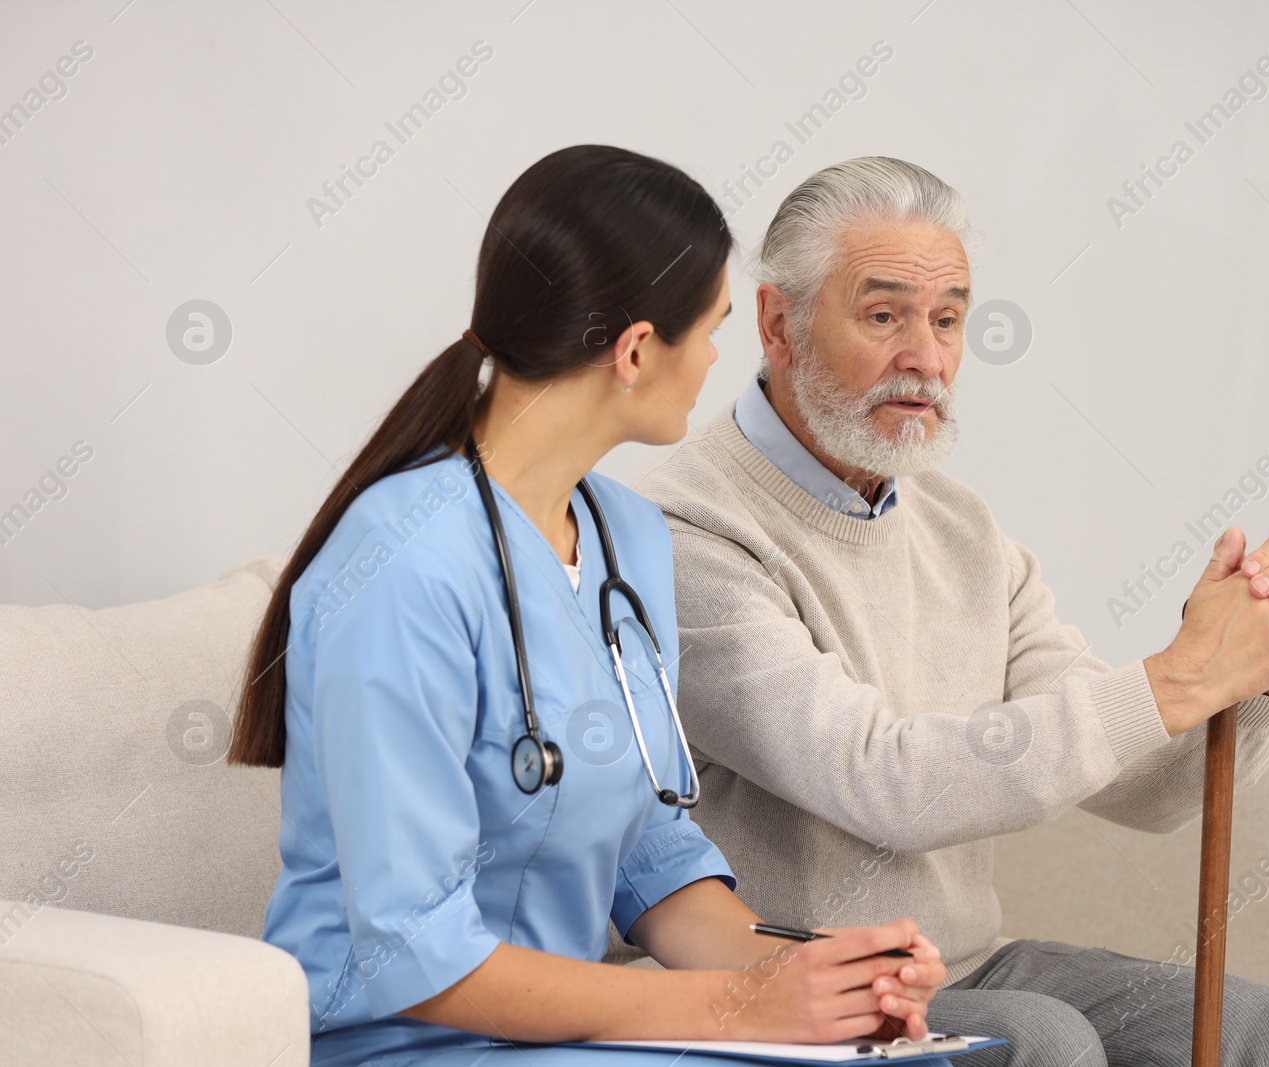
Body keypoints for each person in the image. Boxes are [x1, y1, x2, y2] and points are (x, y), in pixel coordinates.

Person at [227, 145, 948, 1067]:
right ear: (638, 350)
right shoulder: (401, 565)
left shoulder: (630, 540)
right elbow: (418, 954)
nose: (720, 359)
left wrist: (824, 978)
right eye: (714, 328)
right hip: (398, 1041)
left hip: (567, 1037)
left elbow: (649, 851)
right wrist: (737, 1009)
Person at [633, 156, 1269, 1066]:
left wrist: (1262, 674)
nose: (926, 360)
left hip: (960, 964)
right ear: (779, 323)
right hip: (784, 980)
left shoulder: (964, 528)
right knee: (1042, 1040)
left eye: (947, 320)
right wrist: (1181, 674)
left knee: (1257, 1024)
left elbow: (1143, 787)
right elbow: (880, 781)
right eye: (884, 314)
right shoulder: (684, 527)